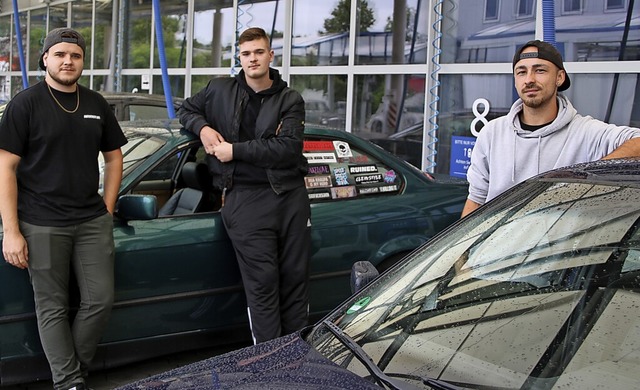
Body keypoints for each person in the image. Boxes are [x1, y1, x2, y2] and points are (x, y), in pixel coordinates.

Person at [0, 28, 127, 390]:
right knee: (52, 307)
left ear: (82, 61)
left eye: (75, 55)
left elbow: (115, 156)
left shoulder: (95, 103)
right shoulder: (25, 104)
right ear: (45, 59)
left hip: (91, 220)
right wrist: (11, 230)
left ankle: (73, 369)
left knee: (100, 300)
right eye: (60, 54)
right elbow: (5, 167)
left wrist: (108, 205)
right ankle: (70, 382)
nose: (68, 61)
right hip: (41, 223)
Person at [178, 27, 311, 344]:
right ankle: (270, 362)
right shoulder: (218, 90)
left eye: (259, 52)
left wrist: (235, 150)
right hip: (244, 199)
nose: (253, 59)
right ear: (239, 57)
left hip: (290, 196)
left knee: (295, 280)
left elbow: (288, 149)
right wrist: (205, 129)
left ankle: (296, 356)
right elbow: (185, 109)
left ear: (270, 55)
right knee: (263, 284)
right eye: (246, 53)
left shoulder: (289, 99)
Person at [461, 40, 640, 218]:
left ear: (559, 77)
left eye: (540, 70)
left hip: (558, 246)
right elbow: (476, 200)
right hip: (499, 244)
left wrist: (588, 175)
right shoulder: (492, 133)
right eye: (521, 72)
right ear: (515, 80)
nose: (529, 79)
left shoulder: (585, 133)